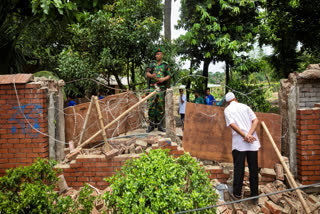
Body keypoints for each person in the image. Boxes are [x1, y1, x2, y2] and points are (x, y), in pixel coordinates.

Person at [223, 92, 260, 205]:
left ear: (227, 102)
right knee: (253, 169)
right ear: (235, 98)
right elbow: (256, 120)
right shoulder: (245, 106)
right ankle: (254, 196)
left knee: (239, 169)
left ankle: (237, 195)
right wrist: (249, 134)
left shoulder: (227, 110)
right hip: (252, 142)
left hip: (239, 144)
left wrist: (244, 136)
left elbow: (232, 125)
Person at [145, 46, 171, 133]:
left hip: (161, 88)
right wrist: (151, 75)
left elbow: (169, 75)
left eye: (158, 54)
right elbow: (147, 73)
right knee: (151, 106)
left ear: (162, 55)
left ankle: (160, 125)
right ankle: (151, 125)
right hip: (153, 88)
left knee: (160, 106)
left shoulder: (165, 64)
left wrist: (163, 79)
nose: (156, 55)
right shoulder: (152, 64)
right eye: (156, 54)